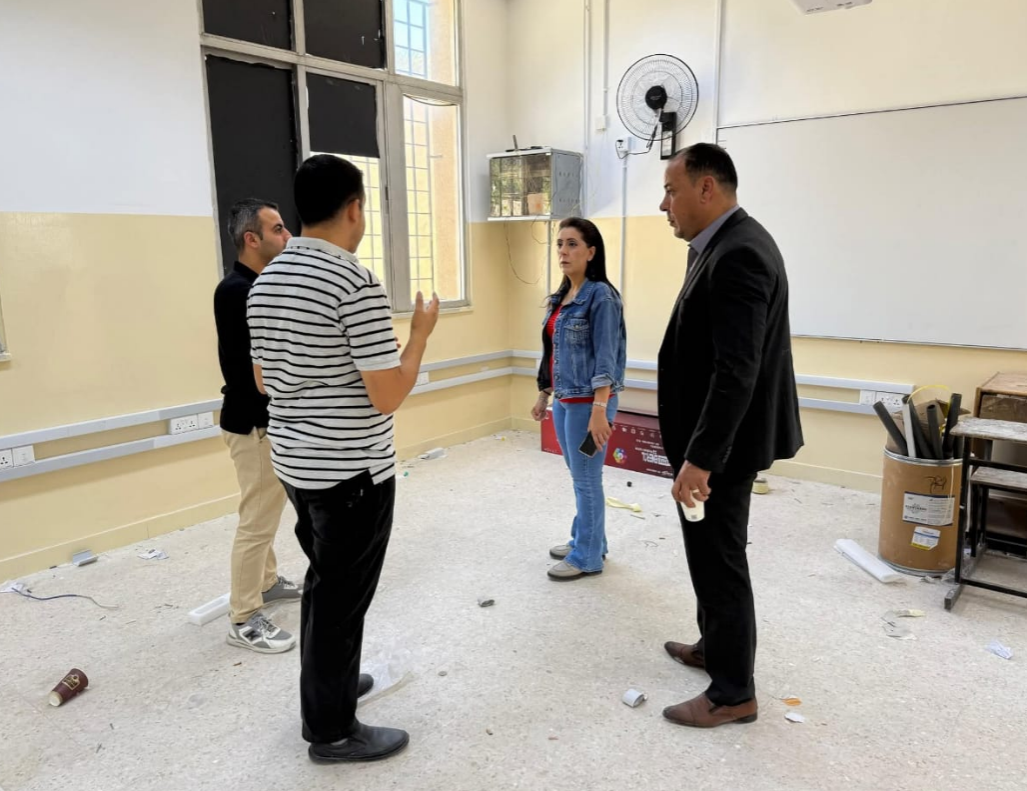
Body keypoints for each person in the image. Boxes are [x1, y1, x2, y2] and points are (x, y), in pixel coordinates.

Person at [247, 154, 439, 763]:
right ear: (355, 208)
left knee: (325, 584)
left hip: (296, 466)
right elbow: (387, 395)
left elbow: (263, 380)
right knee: (340, 599)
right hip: (351, 472)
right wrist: (420, 335)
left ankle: (331, 683)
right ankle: (331, 730)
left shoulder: (266, 280)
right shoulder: (352, 282)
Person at [656, 143, 803, 728]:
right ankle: (713, 646)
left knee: (720, 559)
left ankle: (733, 692)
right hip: (714, 441)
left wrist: (701, 459)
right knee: (707, 551)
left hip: (722, 448)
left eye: (671, 191)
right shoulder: (718, 244)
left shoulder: (740, 252)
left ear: (706, 188)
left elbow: (737, 370)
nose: (664, 204)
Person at [214, 199, 302, 654]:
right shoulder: (239, 291)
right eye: (279, 229)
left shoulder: (256, 286)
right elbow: (259, 370)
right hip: (254, 425)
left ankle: (265, 583)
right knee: (257, 522)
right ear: (252, 239)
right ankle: (244, 617)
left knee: (264, 510)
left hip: (262, 421)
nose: (288, 236)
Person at [532, 217, 627, 582]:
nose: (563, 251)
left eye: (572, 244)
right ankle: (590, 540)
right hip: (565, 400)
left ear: (591, 252)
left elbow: (607, 358)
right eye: (560, 244)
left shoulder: (601, 296)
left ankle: (587, 557)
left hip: (590, 404)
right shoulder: (561, 297)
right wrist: (544, 393)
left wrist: (600, 410)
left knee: (587, 479)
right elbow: (553, 352)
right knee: (580, 476)